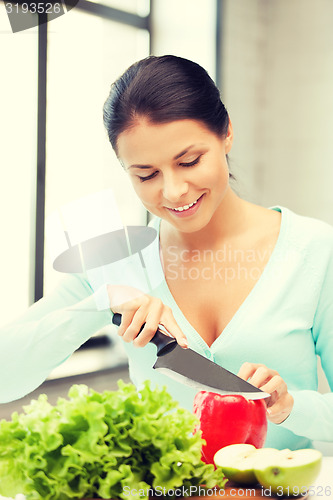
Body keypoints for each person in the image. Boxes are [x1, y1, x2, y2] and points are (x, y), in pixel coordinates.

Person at [1, 55, 332, 451]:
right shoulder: (115, 260)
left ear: (226, 132)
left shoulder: (313, 250)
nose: (174, 191)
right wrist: (103, 301)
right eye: (146, 174)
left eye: (189, 161)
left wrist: (293, 408)